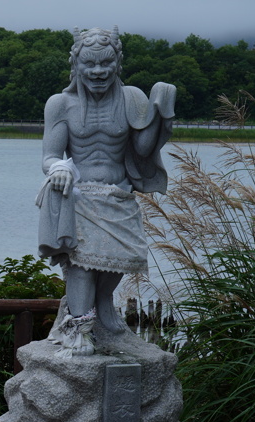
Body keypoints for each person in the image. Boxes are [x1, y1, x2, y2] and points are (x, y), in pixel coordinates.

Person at [37, 26, 175, 356]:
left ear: (117, 62)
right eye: (90, 64)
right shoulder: (60, 104)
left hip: (119, 193)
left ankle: (104, 306)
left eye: (106, 63)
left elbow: (142, 149)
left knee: (115, 263)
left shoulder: (131, 99)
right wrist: (58, 168)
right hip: (79, 194)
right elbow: (50, 155)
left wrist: (160, 111)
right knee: (83, 266)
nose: (98, 72)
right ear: (76, 64)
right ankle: (79, 329)